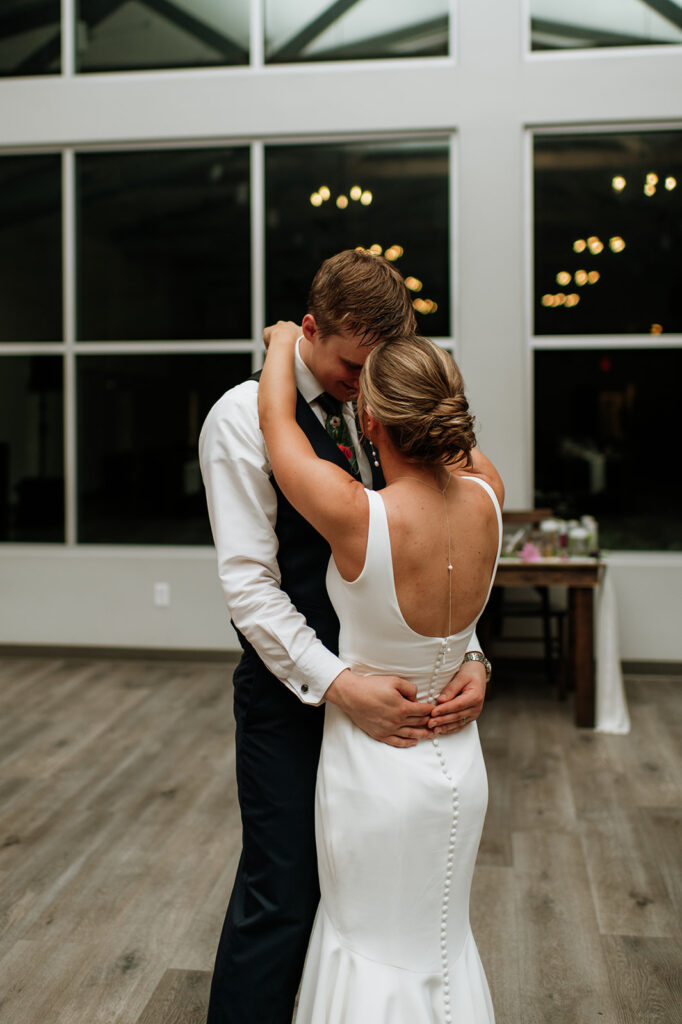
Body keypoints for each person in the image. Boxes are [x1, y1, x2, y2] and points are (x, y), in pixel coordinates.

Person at [198, 250, 491, 1024]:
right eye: (348, 365)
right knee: (283, 898)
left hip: (394, 717)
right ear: (309, 330)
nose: (360, 389)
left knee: (367, 907)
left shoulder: (383, 407)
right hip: (294, 701)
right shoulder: (241, 418)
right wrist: (337, 682)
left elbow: (441, 542)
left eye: (374, 371)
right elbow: (249, 589)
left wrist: (470, 654)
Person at [258, 323, 504, 1023]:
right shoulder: (488, 494)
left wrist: (281, 343)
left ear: (370, 420)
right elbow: (457, 447)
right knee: (438, 944)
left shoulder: (358, 515)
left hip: (375, 765)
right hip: (460, 757)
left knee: (369, 946)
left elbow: (279, 429)